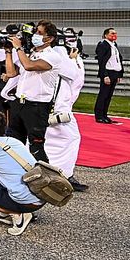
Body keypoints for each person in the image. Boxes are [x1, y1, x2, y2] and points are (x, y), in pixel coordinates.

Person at [3, 20, 63, 162]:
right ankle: (15, 173)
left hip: (37, 105)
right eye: (35, 31)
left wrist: (18, 48)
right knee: (13, 143)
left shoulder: (52, 55)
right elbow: (11, 73)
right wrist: (8, 51)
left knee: (36, 146)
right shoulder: (30, 53)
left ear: (50, 38)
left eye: (39, 33)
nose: (35, 35)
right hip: (19, 102)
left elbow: (29, 66)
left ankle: (44, 174)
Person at [45, 37, 88, 192]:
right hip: (58, 109)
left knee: (46, 141)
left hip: (50, 108)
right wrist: (74, 60)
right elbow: (77, 78)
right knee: (71, 139)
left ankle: (56, 173)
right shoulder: (62, 60)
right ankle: (64, 174)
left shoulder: (45, 59)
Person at [94, 28, 123, 124]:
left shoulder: (114, 45)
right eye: (112, 33)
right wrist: (105, 75)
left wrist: (119, 73)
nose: (114, 35)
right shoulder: (103, 45)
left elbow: (118, 59)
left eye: (115, 33)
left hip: (115, 72)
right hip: (107, 72)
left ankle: (104, 115)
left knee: (109, 95)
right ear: (106, 35)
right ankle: (99, 115)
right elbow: (101, 62)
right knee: (103, 94)